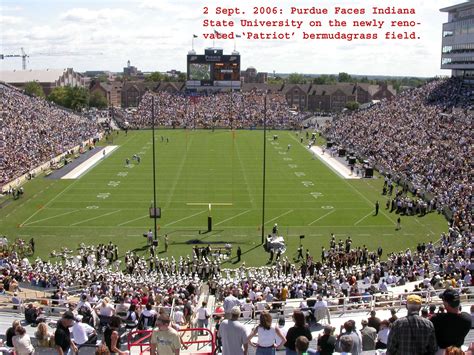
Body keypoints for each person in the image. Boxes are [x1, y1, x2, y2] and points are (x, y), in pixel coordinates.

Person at [430, 288, 471, 353]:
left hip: (441, 351)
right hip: (458, 351)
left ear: (446, 304)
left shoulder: (436, 319)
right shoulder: (468, 319)